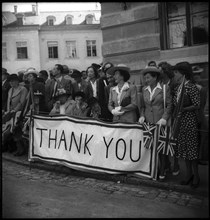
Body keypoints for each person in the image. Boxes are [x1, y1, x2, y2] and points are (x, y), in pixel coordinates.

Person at [139, 66, 172, 180]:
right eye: (145, 78)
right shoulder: (144, 89)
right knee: (151, 147)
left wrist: (164, 118)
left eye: (148, 78)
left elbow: (169, 105)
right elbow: (142, 106)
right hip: (149, 122)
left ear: (155, 77)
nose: (146, 80)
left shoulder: (164, 88)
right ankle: (155, 169)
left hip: (161, 122)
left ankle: (163, 169)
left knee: (162, 147)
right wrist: (142, 115)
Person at [172, 62, 201, 188]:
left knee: (192, 150)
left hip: (190, 121)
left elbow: (197, 104)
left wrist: (184, 109)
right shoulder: (179, 87)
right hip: (181, 122)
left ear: (183, 73)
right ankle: (188, 175)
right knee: (184, 150)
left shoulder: (191, 87)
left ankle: (197, 176)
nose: (175, 75)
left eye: (177, 72)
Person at [158, 61, 179, 176]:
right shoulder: (159, 83)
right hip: (163, 116)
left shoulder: (174, 83)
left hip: (174, 115)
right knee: (164, 141)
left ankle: (176, 163)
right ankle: (166, 165)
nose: (158, 71)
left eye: (160, 69)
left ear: (165, 71)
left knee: (174, 141)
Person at [192, 65, 208, 165]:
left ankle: (201, 156)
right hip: (193, 115)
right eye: (195, 75)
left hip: (202, 114)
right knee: (195, 136)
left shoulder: (202, 87)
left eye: (199, 74)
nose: (197, 76)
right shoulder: (191, 87)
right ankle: (196, 157)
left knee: (203, 135)